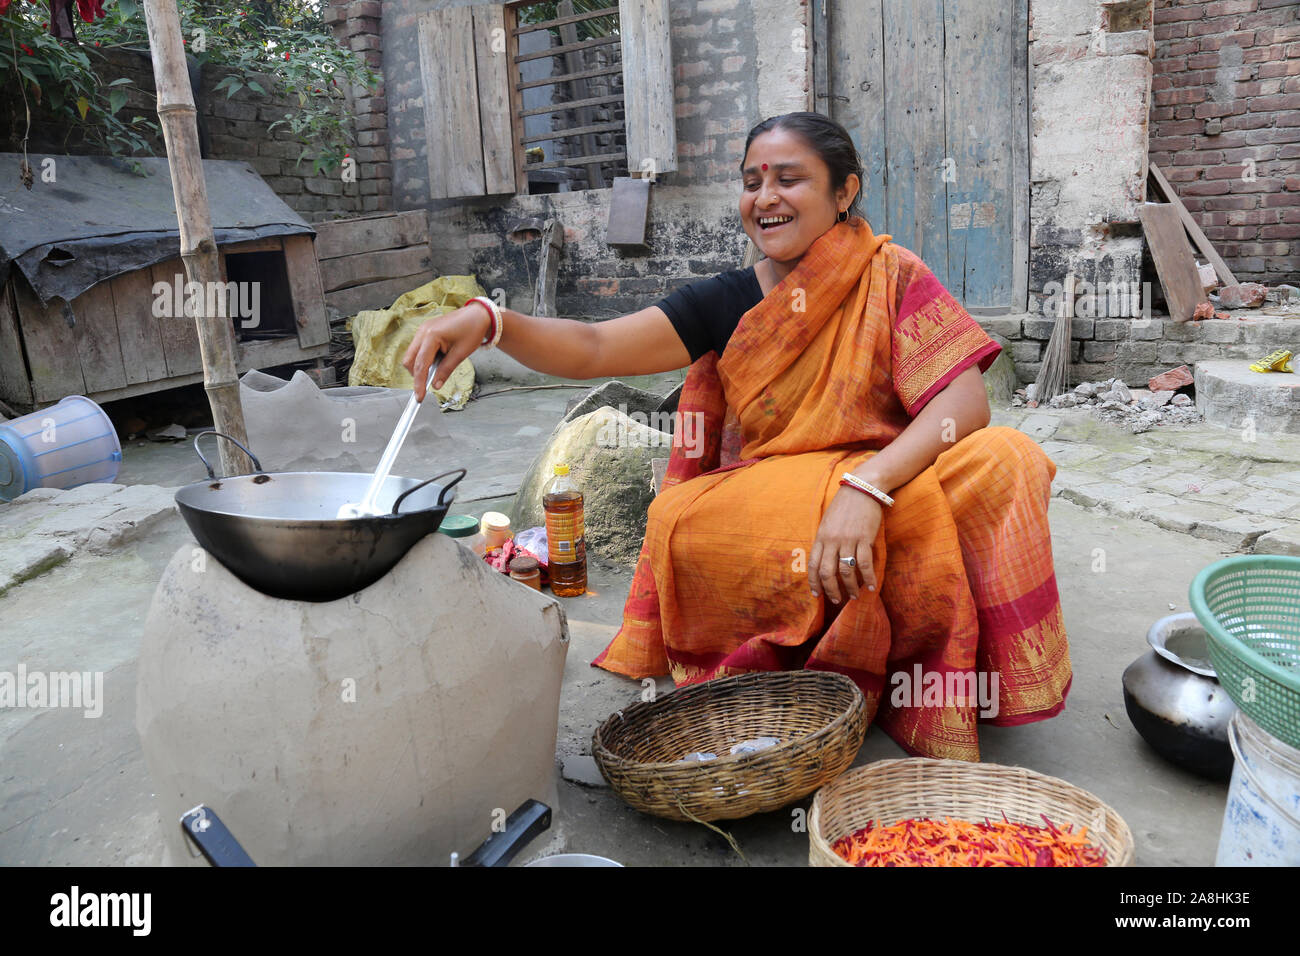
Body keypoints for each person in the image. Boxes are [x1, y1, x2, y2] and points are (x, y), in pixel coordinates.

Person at [403, 112, 1071, 761]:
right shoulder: (722, 300)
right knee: (682, 521)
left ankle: (902, 652)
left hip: (883, 487)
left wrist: (866, 487)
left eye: (789, 179)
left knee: (1006, 458)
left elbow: (964, 402)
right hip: (772, 508)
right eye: (752, 181)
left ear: (845, 191)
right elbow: (592, 346)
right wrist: (490, 321)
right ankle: (843, 643)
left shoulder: (890, 275)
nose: (766, 197)